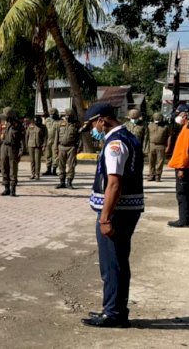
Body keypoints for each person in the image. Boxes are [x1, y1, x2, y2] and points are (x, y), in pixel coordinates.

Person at [79, 102, 144, 329]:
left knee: (112, 263)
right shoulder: (127, 137)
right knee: (117, 261)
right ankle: (116, 308)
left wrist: (105, 218)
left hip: (117, 212)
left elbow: (114, 184)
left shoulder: (115, 143)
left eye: (92, 125)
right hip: (127, 210)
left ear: (102, 119)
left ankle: (113, 313)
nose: (93, 130)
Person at [168, 105, 189, 227]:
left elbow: (184, 151)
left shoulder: (187, 129)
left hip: (184, 167)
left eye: (179, 114)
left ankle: (184, 220)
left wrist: (181, 168)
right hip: (185, 166)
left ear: (185, 115)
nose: (177, 117)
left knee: (182, 193)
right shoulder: (185, 127)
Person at [0, 108, 25, 197]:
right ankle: (6, 188)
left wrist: (21, 150)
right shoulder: (3, 123)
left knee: (13, 168)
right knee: (4, 167)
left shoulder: (17, 124)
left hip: (13, 148)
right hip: (4, 147)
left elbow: (22, 138)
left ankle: (13, 189)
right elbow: (0, 136)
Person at [54, 108, 80, 189]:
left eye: (70, 116)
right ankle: (62, 182)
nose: (68, 117)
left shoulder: (76, 125)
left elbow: (79, 138)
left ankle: (69, 182)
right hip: (61, 147)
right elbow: (56, 137)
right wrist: (55, 148)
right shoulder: (60, 124)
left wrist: (78, 148)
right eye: (66, 115)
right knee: (61, 165)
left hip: (71, 147)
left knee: (71, 166)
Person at [147, 113, 172, 182]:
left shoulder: (166, 126)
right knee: (151, 161)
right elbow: (146, 136)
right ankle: (151, 175)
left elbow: (169, 136)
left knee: (160, 162)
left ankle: (158, 175)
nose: (157, 121)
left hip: (161, 145)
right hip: (151, 145)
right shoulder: (150, 125)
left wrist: (168, 146)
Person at [26, 116, 47, 180]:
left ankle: (37, 174)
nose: (37, 123)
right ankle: (32, 174)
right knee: (32, 161)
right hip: (31, 145)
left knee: (37, 161)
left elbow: (45, 137)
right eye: (35, 122)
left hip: (38, 145)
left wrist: (44, 145)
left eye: (38, 121)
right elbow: (27, 136)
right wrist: (27, 145)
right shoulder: (30, 126)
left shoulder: (43, 127)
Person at [44, 108, 60, 176]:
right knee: (47, 155)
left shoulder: (60, 121)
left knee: (55, 155)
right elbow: (44, 129)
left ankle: (54, 170)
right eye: (51, 114)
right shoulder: (47, 120)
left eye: (53, 114)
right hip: (48, 140)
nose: (52, 115)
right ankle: (48, 169)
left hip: (56, 140)